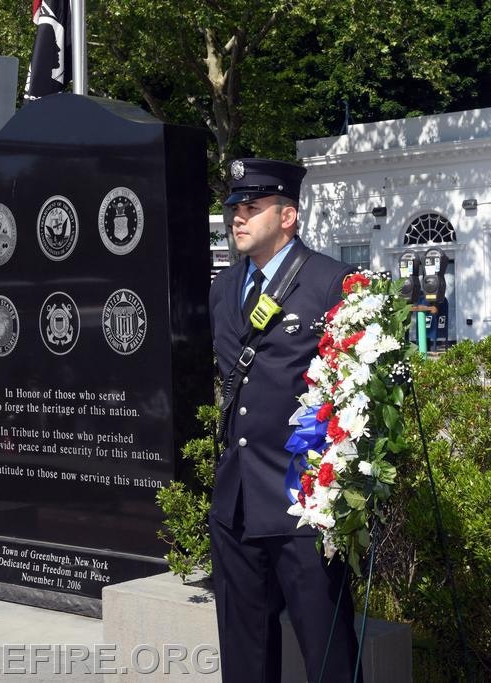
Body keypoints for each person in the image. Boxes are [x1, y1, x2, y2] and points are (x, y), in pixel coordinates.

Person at [208, 158, 361, 682]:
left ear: (288, 215)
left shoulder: (329, 283)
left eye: (252, 207)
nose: (238, 217)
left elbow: (355, 394)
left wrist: (336, 490)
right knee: (245, 656)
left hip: (304, 506)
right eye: (234, 208)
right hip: (238, 502)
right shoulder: (225, 287)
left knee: (327, 654)